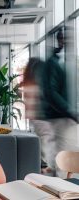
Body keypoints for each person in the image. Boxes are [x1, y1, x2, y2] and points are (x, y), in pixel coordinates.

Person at [41, 29, 78, 177]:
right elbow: (51, 92)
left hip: (67, 117)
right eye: (68, 39)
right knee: (66, 159)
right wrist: (71, 112)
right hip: (62, 117)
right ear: (61, 40)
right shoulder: (54, 62)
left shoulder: (68, 60)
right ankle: (63, 192)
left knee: (66, 155)